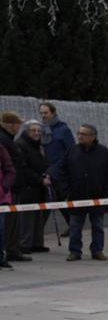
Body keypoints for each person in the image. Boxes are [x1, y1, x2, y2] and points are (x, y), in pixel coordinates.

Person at [56, 124, 108, 261]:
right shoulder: (72, 151)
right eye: (79, 133)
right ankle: (75, 251)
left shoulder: (104, 152)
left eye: (84, 134)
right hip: (77, 197)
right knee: (75, 227)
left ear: (93, 137)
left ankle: (97, 250)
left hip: (98, 197)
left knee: (98, 226)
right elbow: (62, 172)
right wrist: (66, 191)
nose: (80, 136)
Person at [15, 121, 52, 254]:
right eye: (33, 130)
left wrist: (47, 174)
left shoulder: (39, 146)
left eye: (38, 130)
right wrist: (39, 180)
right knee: (27, 216)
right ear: (26, 131)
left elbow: (45, 162)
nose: (36, 133)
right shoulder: (21, 145)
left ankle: (37, 243)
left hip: (40, 186)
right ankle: (25, 244)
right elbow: (23, 168)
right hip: (27, 186)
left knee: (39, 215)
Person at [0, 112, 31, 263]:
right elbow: (8, 167)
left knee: (12, 222)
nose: (20, 127)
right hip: (8, 190)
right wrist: (6, 187)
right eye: (19, 124)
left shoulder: (8, 139)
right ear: (10, 125)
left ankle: (12, 250)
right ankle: (7, 251)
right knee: (7, 223)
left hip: (13, 188)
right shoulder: (4, 140)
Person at [38, 102, 74, 175]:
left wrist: (58, 167)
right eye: (41, 113)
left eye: (45, 113)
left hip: (59, 171)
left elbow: (71, 151)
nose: (43, 115)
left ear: (53, 113)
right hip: (44, 169)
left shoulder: (64, 129)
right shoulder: (39, 128)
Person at [0, 140, 14, 269]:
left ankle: (1, 257)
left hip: (1, 198)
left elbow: (10, 170)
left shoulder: (1, 149)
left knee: (1, 229)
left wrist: (3, 188)